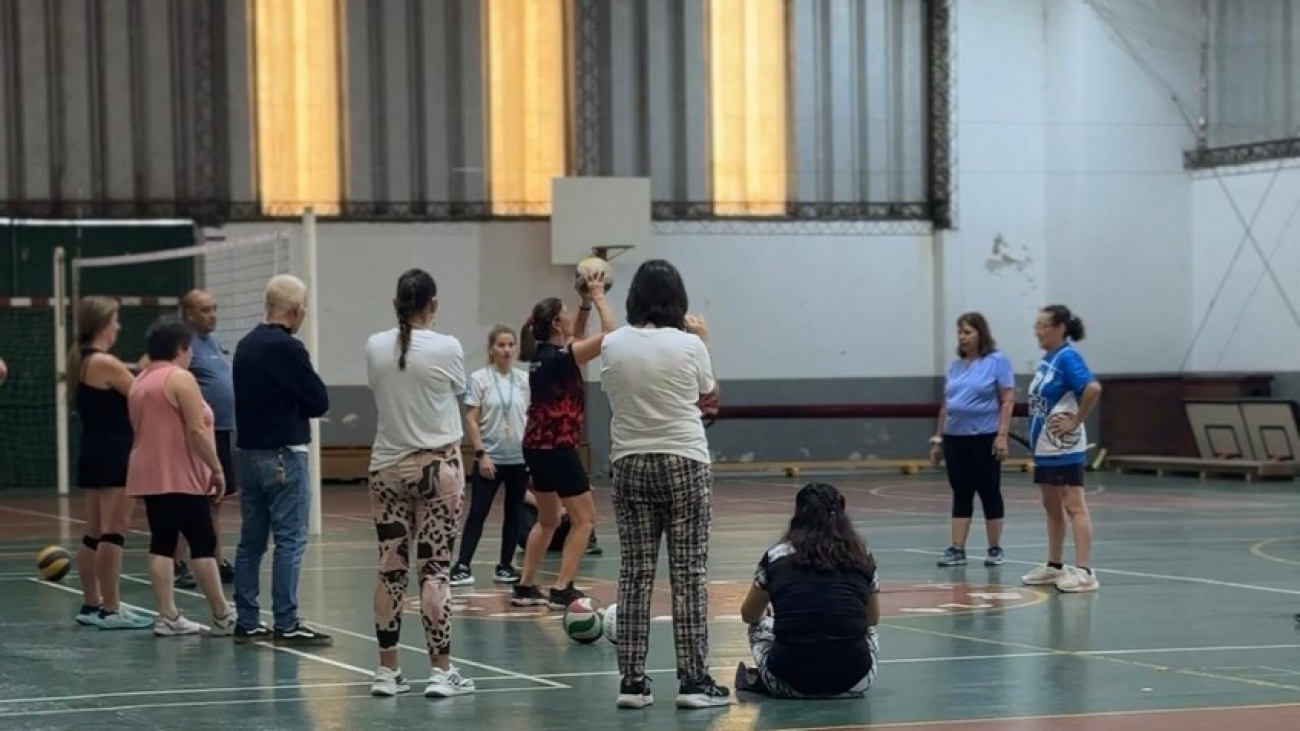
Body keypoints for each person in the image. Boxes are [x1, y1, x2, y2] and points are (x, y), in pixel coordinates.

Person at [600, 259, 730, 709]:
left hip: (629, 461)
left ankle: (632, 682)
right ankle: (693, 681)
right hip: (684, 460)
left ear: (634, 298)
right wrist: (704, 341)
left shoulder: (612, 344)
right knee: (688, 573)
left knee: (634, 574)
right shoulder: (689, 345)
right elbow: (707, 395)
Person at [365, 268, 474, 698]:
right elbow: (458, 390)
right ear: (434, 304)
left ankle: (387, 670)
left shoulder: (375, 346)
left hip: (386, 469)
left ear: (395, 305)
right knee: (435, 569)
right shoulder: (448, 346)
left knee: (391, 569)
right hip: (437, 468)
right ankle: (441, 671)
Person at [231, 274, 332, 645]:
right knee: (290, 540)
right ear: (296, 310)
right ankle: (286, 621)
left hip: (249, 454)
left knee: (251, 541)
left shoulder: (245, 345)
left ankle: (246, 619)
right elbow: (318, 400)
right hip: (283, 454)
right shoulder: (288, 348)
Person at [510, 268, 616, 610]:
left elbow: (577, 338)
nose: (570, 315)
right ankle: (562, 588)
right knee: (585, 519)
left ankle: (525, 586)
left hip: (536, 447)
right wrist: (599, 297)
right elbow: (612, 337)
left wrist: (584, 306)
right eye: (566, 312)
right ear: (557, 323)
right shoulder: (560, 357)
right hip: (558, 447)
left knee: (548, 520)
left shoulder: (544, 355)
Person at [126, 317, 234, 636]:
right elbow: (196, 430)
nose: (191, 355)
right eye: (189, 349)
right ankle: (222, 615)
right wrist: (216, 468)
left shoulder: (140, 381)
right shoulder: (180, 378)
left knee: (162, 541)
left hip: (150, 473)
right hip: (181, 473)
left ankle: (168, 615)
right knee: (203, 541)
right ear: (180, 349)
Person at [736, 483, 880, 699]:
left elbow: (748, 614)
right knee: (867, 628)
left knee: (759, 623)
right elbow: (872, 618)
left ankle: (770, 676)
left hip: (787, 682)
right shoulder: (862, 555)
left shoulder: (775, 556)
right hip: (855, 682)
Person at [69, 296, 151, 630]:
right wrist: (149, 368)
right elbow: (142, 394)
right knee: (113, 532)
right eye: (115, 320)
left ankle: (92, 603)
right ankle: (112, 608)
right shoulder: (105, 362)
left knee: (94, 533)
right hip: (114, 453)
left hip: (94, 450)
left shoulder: (84, 359)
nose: (119, 326)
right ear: (103, 324)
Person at [1020, 304, 1102, 593]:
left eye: (1043, 326)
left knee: (1073, 506)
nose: (1037, 332)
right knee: (1051, 506)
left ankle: (1085, 571)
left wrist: (1075, 421)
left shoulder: (1068, 357)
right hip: (1045, 448)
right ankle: (1055, 565)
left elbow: (1092, 389)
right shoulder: (1048, 360)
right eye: (1037, 326)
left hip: (1063, 448)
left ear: (1060, 328)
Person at [929, 312, 1015, 567]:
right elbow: (947, 405)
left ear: (981, 333)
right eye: (960, 332)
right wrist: (938, 439)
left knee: (989, 491)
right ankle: (957, 548)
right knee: (961, 492)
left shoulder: (997, 362)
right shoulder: (956, 366)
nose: (962, 337)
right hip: (956, 439)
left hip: (984, 437)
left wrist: (1002, 435)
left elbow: (1007, 399)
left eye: (967, 332)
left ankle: (994, 548)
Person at [450, 325, 529, 587]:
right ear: (491, 349)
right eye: (501, 345)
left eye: (511, 345)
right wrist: (481, 453)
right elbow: (471, 419)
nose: (507, 350)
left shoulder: (524, 380)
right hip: (490, 458)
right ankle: (462, 565)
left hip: (518, 458)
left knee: (514, 513)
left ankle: (505, 566)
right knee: (478, 512)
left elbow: (530, 418)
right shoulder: (479, 379)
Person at [175, 289, 237, 587]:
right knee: (190, 499)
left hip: (222, 431)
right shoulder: (183, 344)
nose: (212, 315)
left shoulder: (213, 341)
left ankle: (216, 558)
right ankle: (176, 560)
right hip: (199, 434)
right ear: (188, 314)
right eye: (204, 310)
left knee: (216, 499)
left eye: (214, 308)